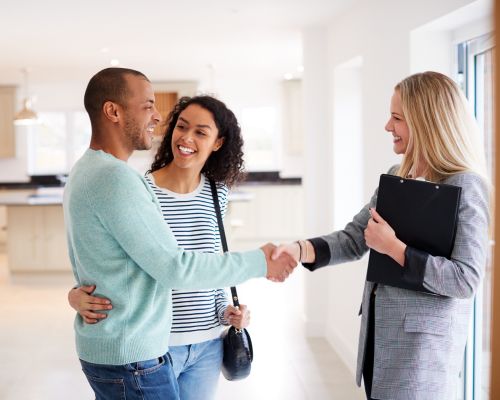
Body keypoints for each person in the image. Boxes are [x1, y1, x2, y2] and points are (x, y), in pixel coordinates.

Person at [64, 67, 297, 400]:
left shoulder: (93, 170)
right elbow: (174, 267)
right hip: (140, 351)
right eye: (147, 105)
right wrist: (260, 262)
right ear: (113, 111)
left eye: (201, 132)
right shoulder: (123, 181)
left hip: (169, 345)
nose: (158, 117)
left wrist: (227, 309)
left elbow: (109, 256)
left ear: (218, 143)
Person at [273, 71, 490, 400]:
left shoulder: (465, 185)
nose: (388, 126)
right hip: (380, 341)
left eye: (397, 118)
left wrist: (395, 249)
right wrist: (300, 249)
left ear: (426, 122)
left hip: (422, 354)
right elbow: (353, 239)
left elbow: (465, 280)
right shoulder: (397, 175)